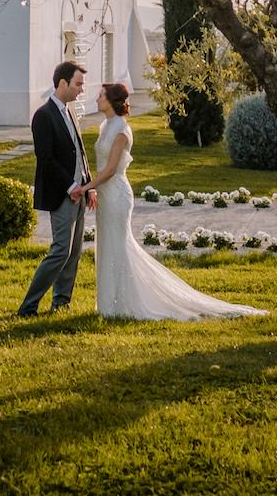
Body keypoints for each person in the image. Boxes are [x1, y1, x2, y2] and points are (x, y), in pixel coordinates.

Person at [84, 81, 264, 321]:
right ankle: (109, 303)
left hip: (117, 194)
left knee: (119, 245)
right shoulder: (104, 125)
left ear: (111, 101)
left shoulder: (120, 131)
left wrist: (86, 188)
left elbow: (110, 170)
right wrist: (95, 190)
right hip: (105, 195)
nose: (97, 99)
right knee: (106, 245)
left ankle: (125, 303)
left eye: (100, 96)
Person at [17, 60, 92, 316]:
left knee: (74, 253)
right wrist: (70, 186)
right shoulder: (43, 116)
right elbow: (45, 158)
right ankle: (28, 306)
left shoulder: (70, 112)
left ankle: (61, 302)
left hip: (80, 192)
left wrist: (87, 185)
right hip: (61, 194)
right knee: (60, 250)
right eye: (78, 84)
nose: (82, 89)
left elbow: (80, 151)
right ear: (63, 83)